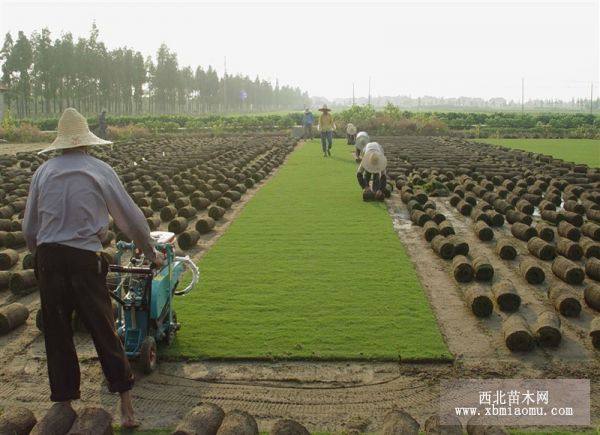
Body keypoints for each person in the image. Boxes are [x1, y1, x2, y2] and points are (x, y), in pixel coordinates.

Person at [22, 108, 164, 428]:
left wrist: (41, 256)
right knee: (104, 329)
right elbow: (130, 219)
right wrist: (150, 252)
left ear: (60, 144)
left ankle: (64, 402)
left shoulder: (43, 172)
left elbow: (30, 228)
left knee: (58, 333)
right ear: (86, 142)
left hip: (49, 259)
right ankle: (126, 406)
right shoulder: (99, 170)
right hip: (84, 260)